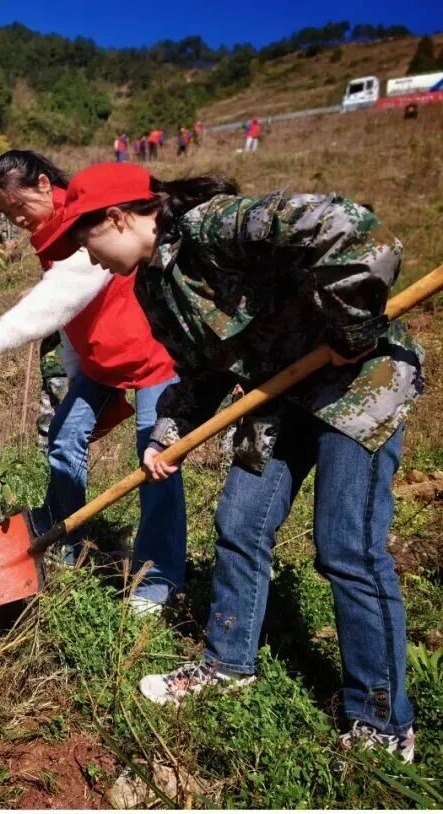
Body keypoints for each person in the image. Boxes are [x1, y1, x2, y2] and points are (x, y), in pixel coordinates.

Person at [41, 161, 423, 761]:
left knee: (346, 546)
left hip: (357, 384)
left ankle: (381, 720)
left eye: (86, 242)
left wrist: (352, 330)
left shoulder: (214, 226)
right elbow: (200, 371)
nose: (88, 258)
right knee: (240, 523)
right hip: (280, 395)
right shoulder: (152, 287)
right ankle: (227, 665)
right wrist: (167, 433)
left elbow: (349, 226)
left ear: (116, 219)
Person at [0, 150, 188, 612]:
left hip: (149, 356)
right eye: (7, 215)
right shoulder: (49, 234)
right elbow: (72, 320)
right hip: (102, 361)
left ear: (44, 183)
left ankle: (157, 580)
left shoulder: (87, 215)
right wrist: (78, 373)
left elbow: (66, 293)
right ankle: (66, 538)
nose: (18, 219)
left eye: (19, 206)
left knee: (156, 461)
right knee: (63, 437)